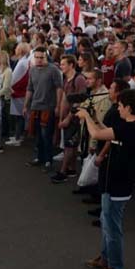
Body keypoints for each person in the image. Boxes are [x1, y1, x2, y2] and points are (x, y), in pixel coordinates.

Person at [77, 89, 135, 269]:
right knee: (106, 223)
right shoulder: (129, 126)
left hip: (118, 186)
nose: (118, 108)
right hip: (112, 183)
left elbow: (97, 134)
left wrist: (85, 117)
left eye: (121, 106)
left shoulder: (130, 129)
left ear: (129, 108)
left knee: (112, 228)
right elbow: (106, 132)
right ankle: (105, 258)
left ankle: (114, 266)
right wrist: (93, 118)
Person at [24, 47, 63, 169]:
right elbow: (30, 88)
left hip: (48, 107)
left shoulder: (53, 70)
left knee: (46, 135)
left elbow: (59, 88)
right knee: (37, 135)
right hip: (35, 106)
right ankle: (39, 158)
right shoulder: (32, 70)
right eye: (37, 57)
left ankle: (48, 160)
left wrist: (58, 106)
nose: (39, 60)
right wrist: (25, 105)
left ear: (46, 57)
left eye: (42, 57)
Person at [51, 54, 87, 183]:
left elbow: (81, 100)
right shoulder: (66, 79)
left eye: (63, 64)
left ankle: (63, 171)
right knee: (70, 144)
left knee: (69, 146)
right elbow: (64, 99)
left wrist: (68, 118)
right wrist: (61, 116)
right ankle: (71, 169)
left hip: (74, 118)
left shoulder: (79, 79)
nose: (61, 66)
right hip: (66, 117)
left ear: (71, 65)